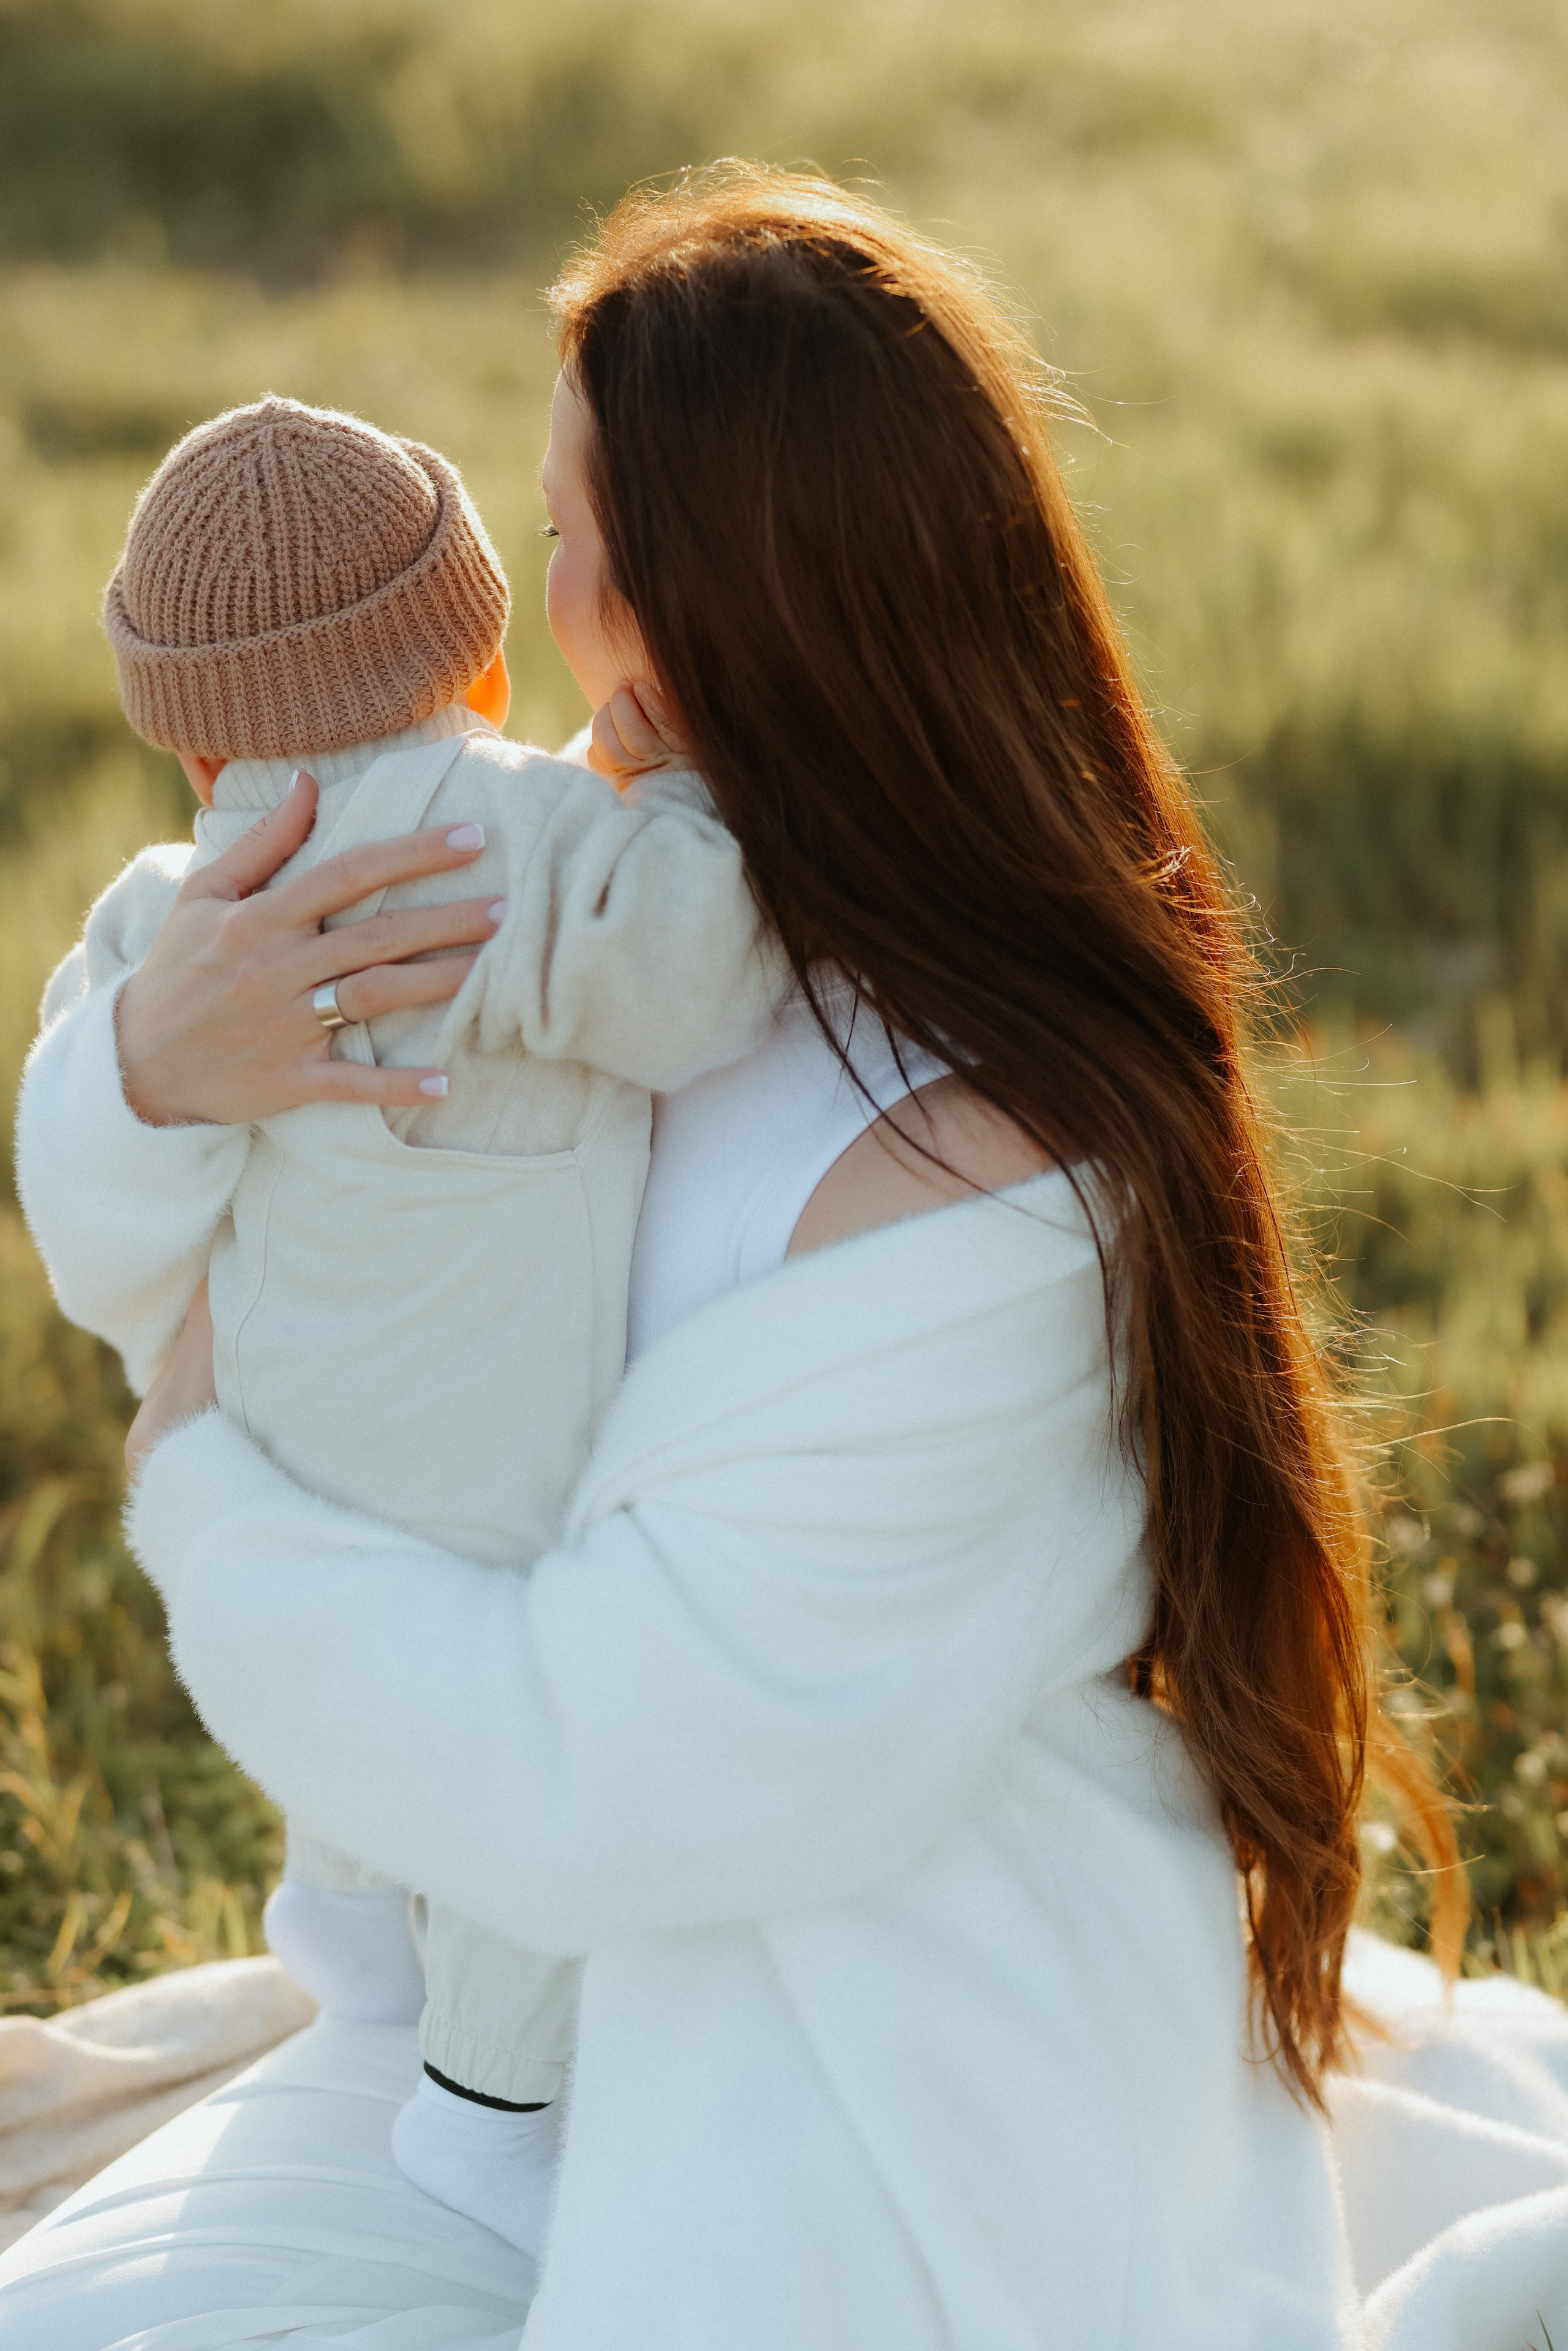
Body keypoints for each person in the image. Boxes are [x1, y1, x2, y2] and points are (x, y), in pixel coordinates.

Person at [7, 164, 1568, 2351]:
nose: (525, 612)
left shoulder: (988, 1174)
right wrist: (154, 1070)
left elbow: (604, 1765)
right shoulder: (562, 867)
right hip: (514, 1972)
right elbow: (190, 1270)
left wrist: (204, 1498)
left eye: (558, 537)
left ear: (700, 602)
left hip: (849, 2055)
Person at [15, 392, 785, 2255]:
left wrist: (128, 1064)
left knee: (349, 1748)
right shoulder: (517, 846)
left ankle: (349, 1962)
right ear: (485, 650)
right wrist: (679, 793)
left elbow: (74, 1136)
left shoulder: (174, 916)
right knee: (537, 1783)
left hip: (277, 1459)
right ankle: (487, 2107)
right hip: (494, 1478)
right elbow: (691, 989)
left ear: (189, 744)